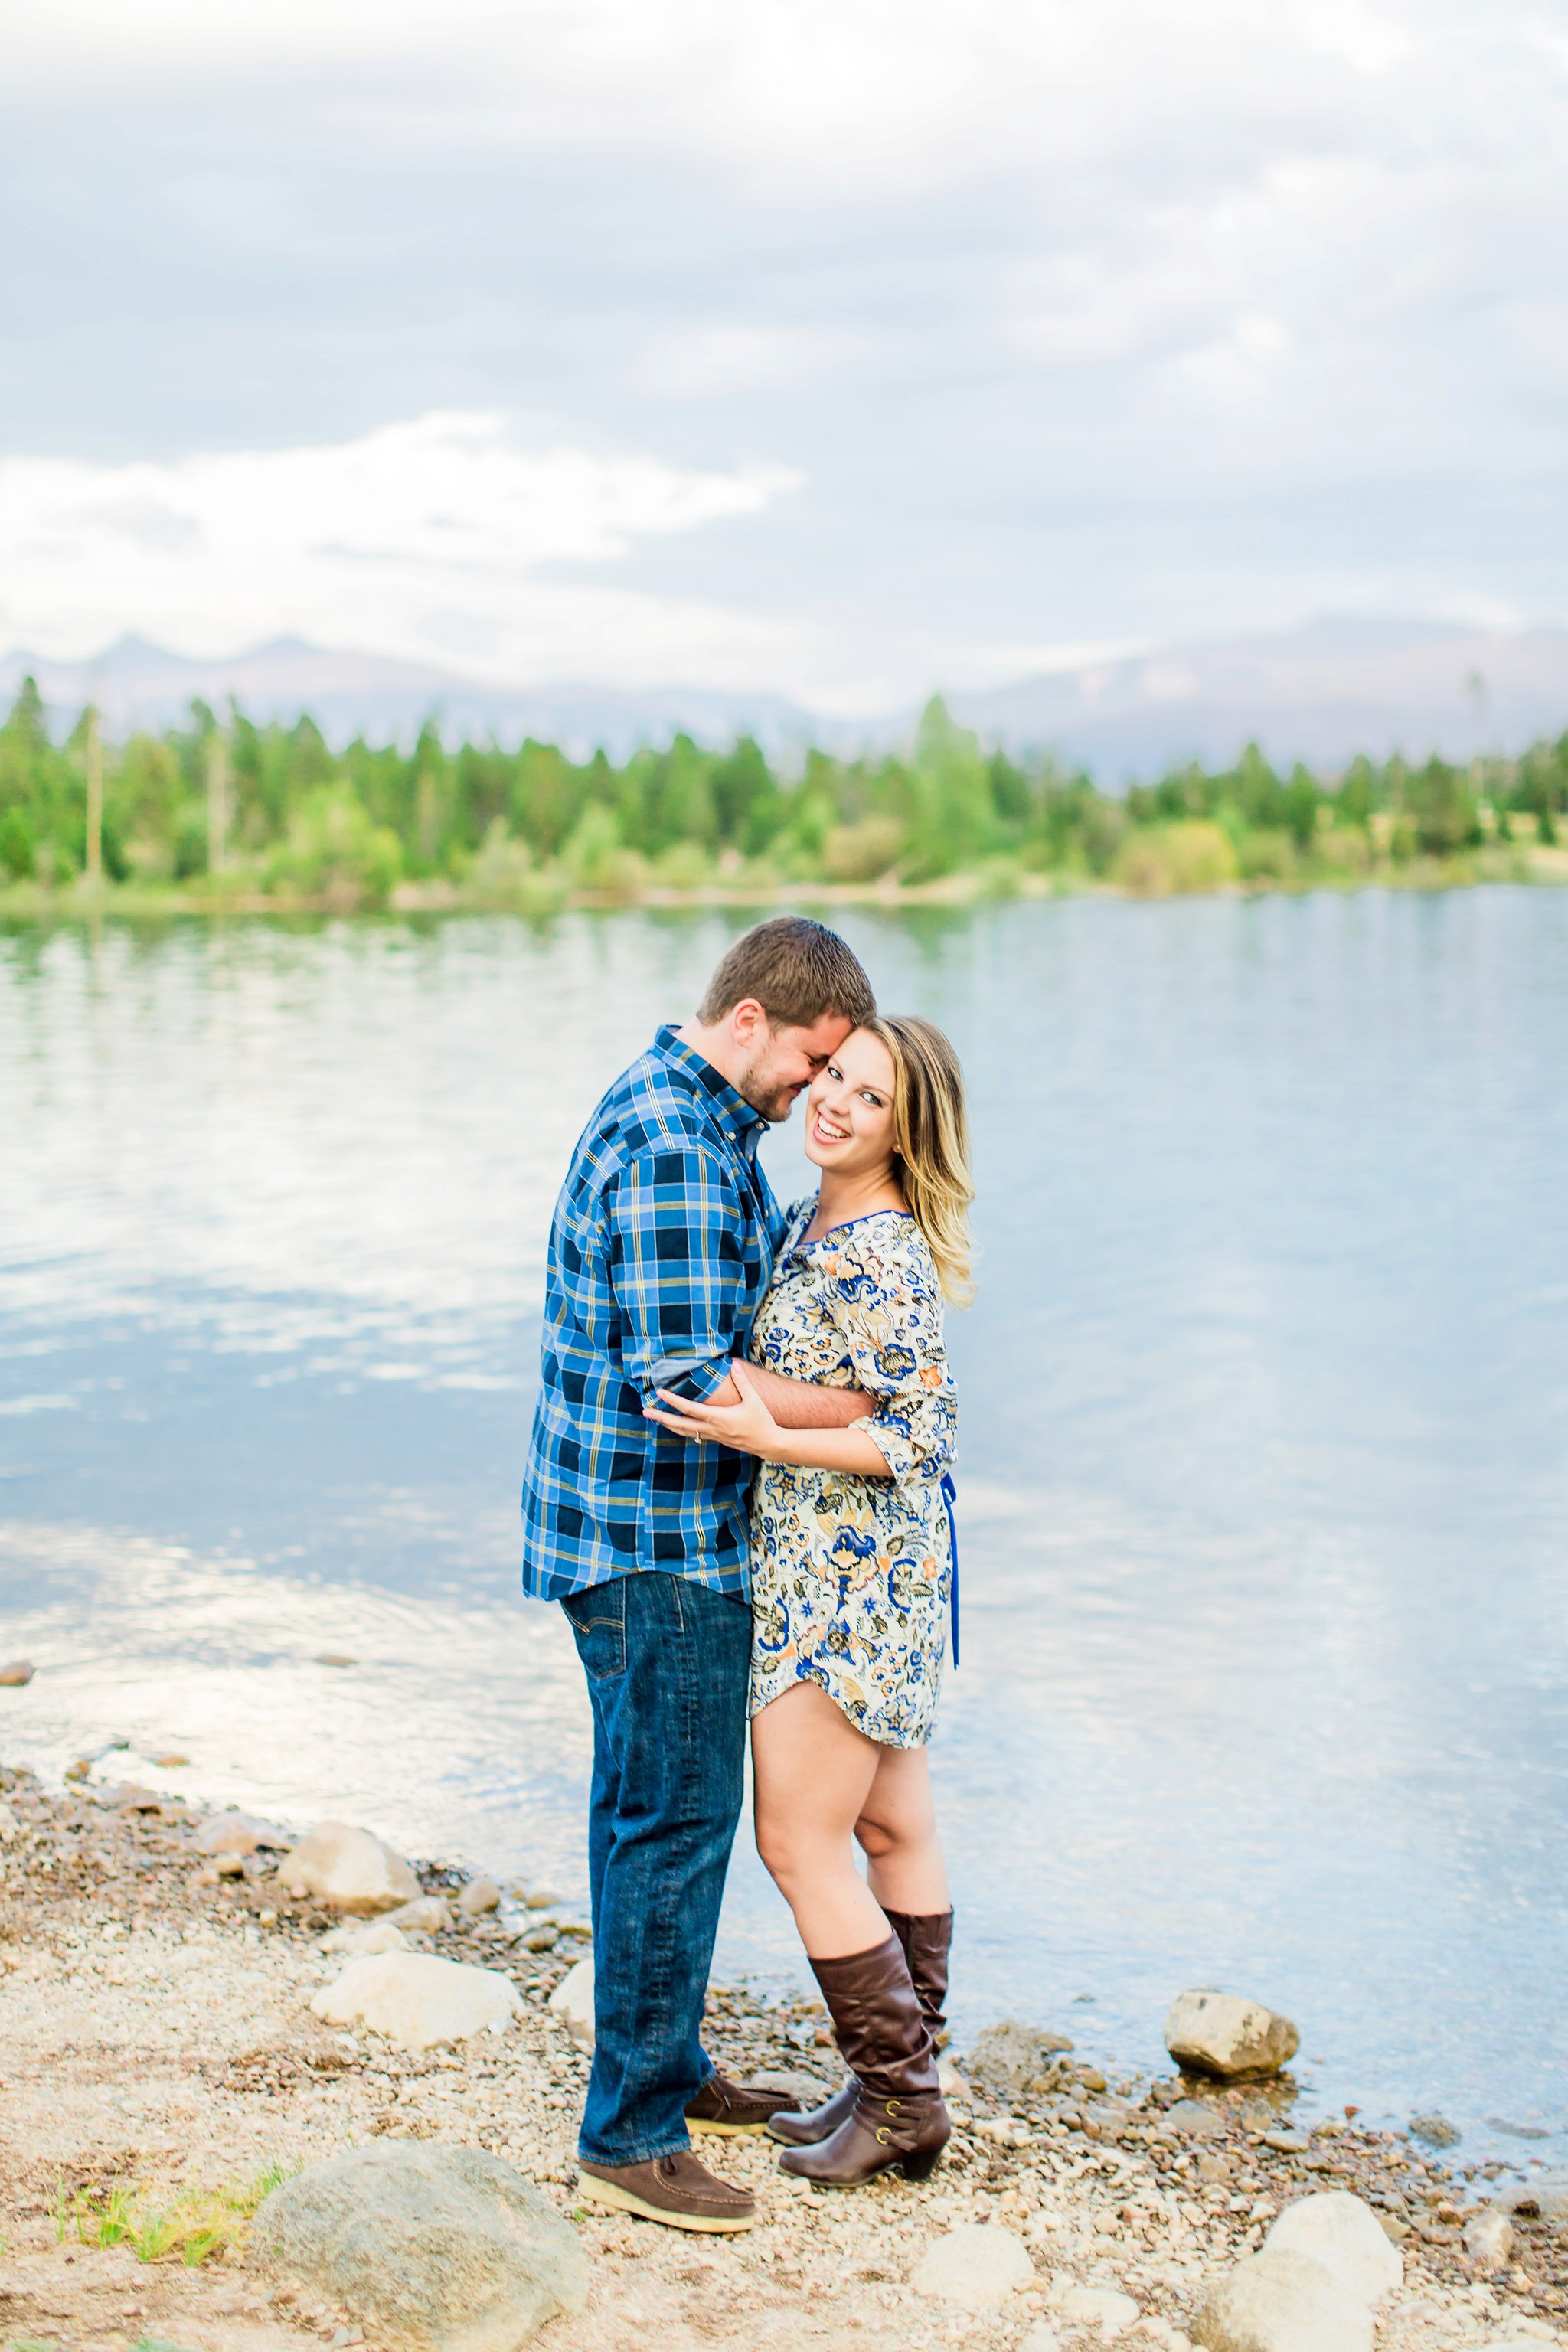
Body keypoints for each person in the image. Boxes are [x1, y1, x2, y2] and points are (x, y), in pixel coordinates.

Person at [521, 916, 877, 2235]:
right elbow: (692, 1379)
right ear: (749, 1023)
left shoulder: (699, 1115)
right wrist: (854, 1408)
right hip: (655, 1546)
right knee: (672, 1828)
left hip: (627, 1539)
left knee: (650, 1818)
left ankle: (660, 2071)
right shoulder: (678, 1141)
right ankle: (629, 2138)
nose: (813, 1094)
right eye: (811, 1063)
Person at [647, 1014, 972, 2189]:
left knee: (800, 1838)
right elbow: (857, 1391)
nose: (832, 1100)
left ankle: (901, 2103)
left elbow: (922, 1435)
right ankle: (897, 2085)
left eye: (868, 1096)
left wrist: (760, 1431)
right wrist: (785, 1417)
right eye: (833, 1074)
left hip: (847, 1583)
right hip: (865, 1570)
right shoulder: (810, 1221)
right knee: (890, 1829)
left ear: (906, 1130)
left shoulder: (877, 1250)